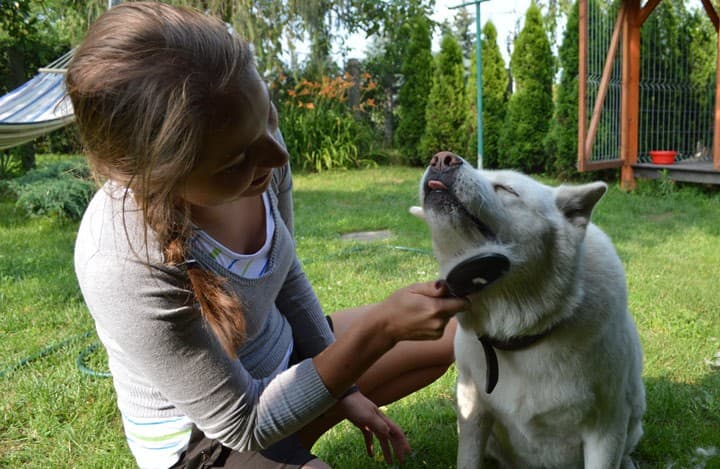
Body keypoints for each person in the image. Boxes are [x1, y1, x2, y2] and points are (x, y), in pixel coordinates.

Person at [67, 3, 467, 468]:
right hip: (206, 437)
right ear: (156, 176)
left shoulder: (260, 155)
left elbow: (287, 272)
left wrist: (348, 389)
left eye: (269, 118)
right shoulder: (119, 259)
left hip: (279, 363)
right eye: (234, 160)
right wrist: (376, 334)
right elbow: (242, 422)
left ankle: (294, 447)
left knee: (445, 340)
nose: (276, 155)